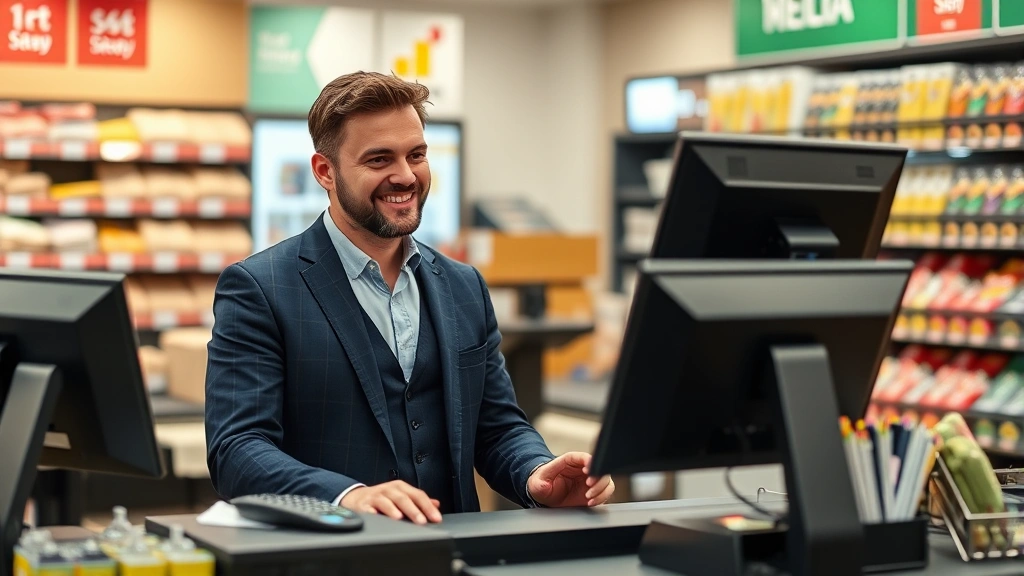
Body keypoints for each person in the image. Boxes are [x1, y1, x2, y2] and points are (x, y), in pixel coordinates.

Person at [205, 72, 614, 525]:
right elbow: (237, 450)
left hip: (450, 554)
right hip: (329, 555)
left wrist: (536, 474)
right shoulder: (260, 288)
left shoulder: (463, 286)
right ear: (325, 171)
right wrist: (347, 496)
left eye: (416, 154)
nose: (405, 175)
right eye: (379, 159)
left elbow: (496, 428)